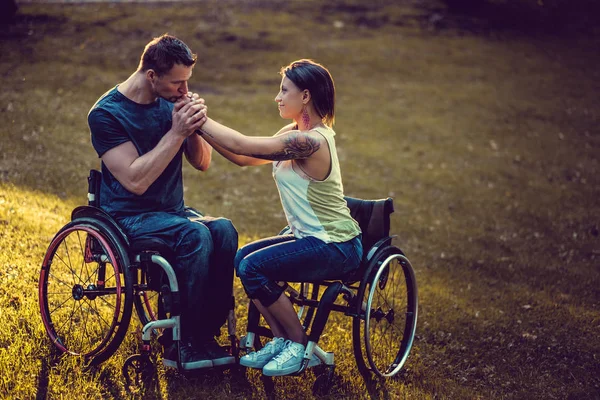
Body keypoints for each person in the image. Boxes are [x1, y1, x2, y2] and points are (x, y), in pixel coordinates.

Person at [195, 59, 363, 376]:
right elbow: (244, 156)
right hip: (311, 239)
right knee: (243, 258)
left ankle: (301, 348)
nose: (278, 97)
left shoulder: (311, 142)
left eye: (284, 90)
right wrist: (197, 127)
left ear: (306, 96)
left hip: (336, 246)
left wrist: (200, 119)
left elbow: (244, 143)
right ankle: (282, 340)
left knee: (253, 266)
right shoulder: (294, 131)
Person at [87, 34, 238, 370]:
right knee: (194, 235)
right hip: (126, 217)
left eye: (188, 83)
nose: (184, 91)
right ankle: (180, 343)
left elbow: (202, 163)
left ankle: (205, 335)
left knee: (224, 230)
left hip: (172, 214)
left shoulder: (171, 101)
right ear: (152, 76)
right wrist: (176, 133)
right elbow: (135, 181)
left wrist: (194, 125)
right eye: (178, 83)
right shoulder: (106, 114)